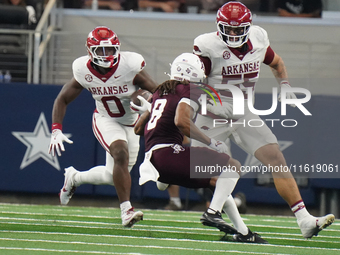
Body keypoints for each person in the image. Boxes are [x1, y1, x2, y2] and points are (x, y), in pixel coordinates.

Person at [191, 1, 334, 239]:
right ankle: (233, 217)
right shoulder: (208, 46)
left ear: (249, 26)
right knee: (205, 173)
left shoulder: (258, 38)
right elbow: (194, 84)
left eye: (239, 29)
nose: (234, 34)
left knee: (276, 158)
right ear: (219, 26)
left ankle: (305, 220)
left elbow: (277, 63)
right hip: (212, 115)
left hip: (244, 112)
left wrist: (285, 86)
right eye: (230, 29)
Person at [133, 52, 267, 243]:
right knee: (233, 166)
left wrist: (148, 110)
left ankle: (244, 233)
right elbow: (181, 121)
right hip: (168, 154)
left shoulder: (159, 91)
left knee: (218, 183)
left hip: (154, 158)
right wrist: (210, 141)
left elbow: (138, 129)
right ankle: (212, 213)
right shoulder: (189, 89)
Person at [48, 26, 158, 228]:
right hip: (106, 119)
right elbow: (62, 98)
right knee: (120, 154)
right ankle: (126, 211)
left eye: (110, 49)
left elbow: (156, 90)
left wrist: (148, 101)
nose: (106, 55)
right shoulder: (83, 70)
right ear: (90, 51)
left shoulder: (130, 65)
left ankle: (75, 177)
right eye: (101, 50)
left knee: (111, 175)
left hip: (132, 122)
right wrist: (56, 128)